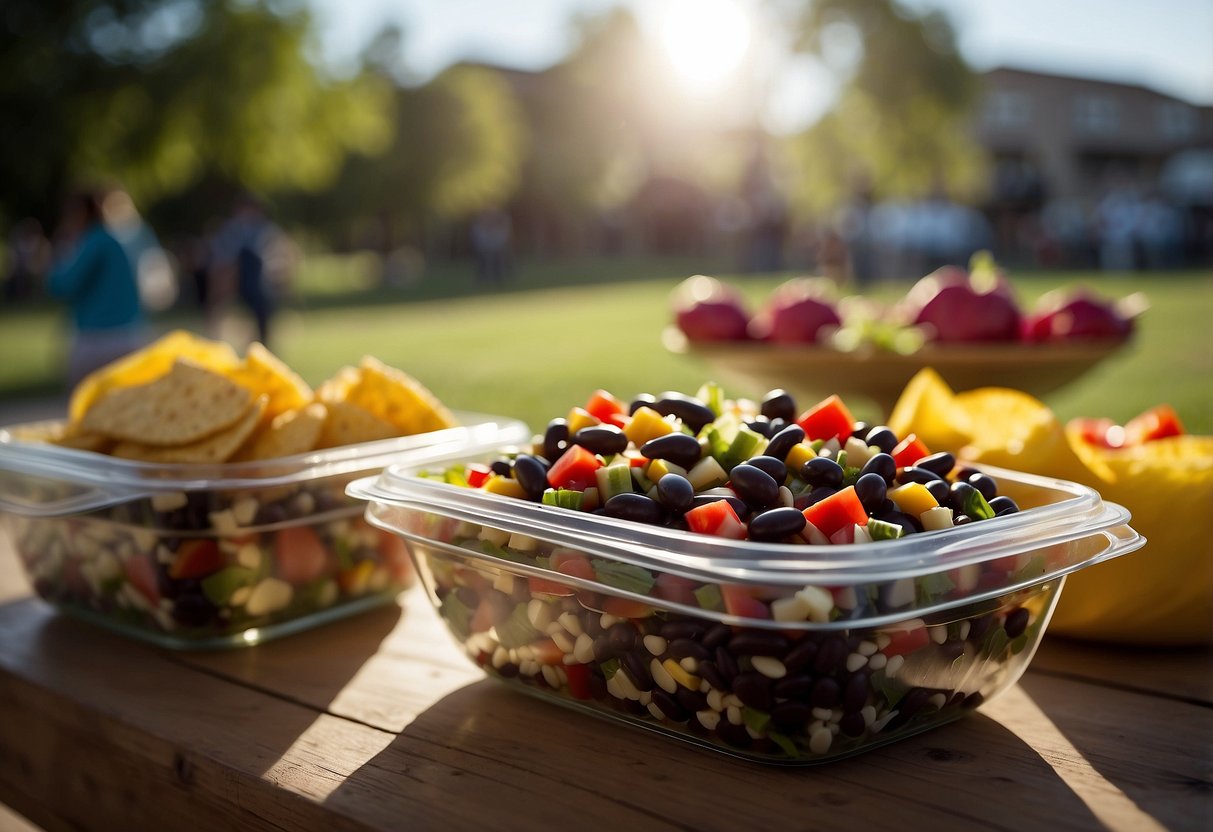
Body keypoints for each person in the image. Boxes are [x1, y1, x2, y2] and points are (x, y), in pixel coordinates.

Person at [47, 187, 149, 388]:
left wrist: (57, 257)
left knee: (85, 407)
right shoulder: (121, 239)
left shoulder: (94, 241)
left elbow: (62, 285)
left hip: (99, 339)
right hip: (130, 332)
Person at [211, 195, 287, 347]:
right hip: (237, 282)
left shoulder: (266, 230)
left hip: (261, 285)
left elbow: (279, 257)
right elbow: (223, 259)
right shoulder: (232, 231)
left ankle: (263, 346)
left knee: (263, 320)